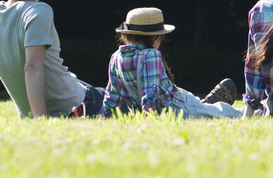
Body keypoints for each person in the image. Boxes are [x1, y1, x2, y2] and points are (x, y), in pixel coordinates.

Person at [102, 7, 243, 119]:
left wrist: (104, 117)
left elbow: (112, 95)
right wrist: (150, 119)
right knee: (221, 113)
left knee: (206, 109)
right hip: (177, 107)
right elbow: (149, 95)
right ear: (156, 37)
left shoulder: (116, 57)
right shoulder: (151, 55)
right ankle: (250, 111)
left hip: (173, 102)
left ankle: (207, 107)